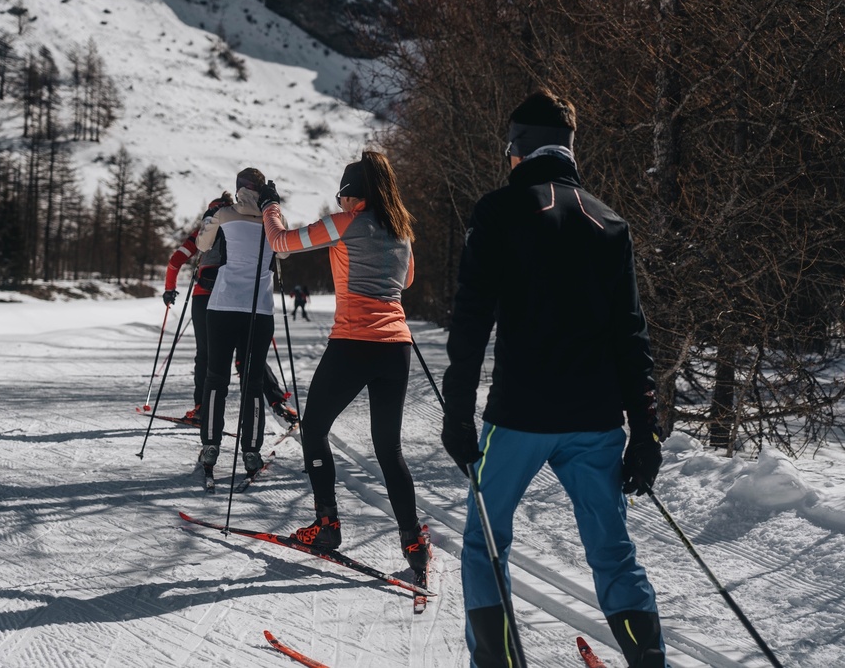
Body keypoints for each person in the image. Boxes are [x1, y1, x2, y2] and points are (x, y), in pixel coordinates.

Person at [439, 89, 668, 668]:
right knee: (613, 555)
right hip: (595, 423)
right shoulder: (610, 221)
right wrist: (645, 433)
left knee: (484, 545)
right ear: (569, 148)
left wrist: (457, 414)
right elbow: (631, 337)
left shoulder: (498, 211)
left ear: (516, 148)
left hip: (518, 418)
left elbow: (470, 323)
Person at [260, 151, 429, 577]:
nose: (340, 205)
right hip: (397, 346)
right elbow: (405, 281)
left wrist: (269, 206)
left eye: (343, 197)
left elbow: (281, 243)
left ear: (356, 196)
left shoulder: (346, 223)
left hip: (353, 342)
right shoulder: (401, 230)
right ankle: (413, 542)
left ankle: (327, 524)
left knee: (314, 429)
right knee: (389, 449)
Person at [162, 193, 298, 426]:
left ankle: (202, 409)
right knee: (249, 355)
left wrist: (169, 289)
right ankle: (277, 401)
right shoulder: (241, 226)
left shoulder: (205, 231)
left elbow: (176, 260)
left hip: (204, 298)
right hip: (241, 296)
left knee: (206, 355)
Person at [195, 168, 288, 480]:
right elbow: (284, 252)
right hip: (258, 313)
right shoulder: (271, 218)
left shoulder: (224, 214)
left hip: (222, 307)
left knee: (215, 379)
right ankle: (250, 451)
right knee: (253, 384)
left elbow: (203, 246)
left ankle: (210, 445)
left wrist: (211, 216)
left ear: (238, 189)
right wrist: (272, 208)